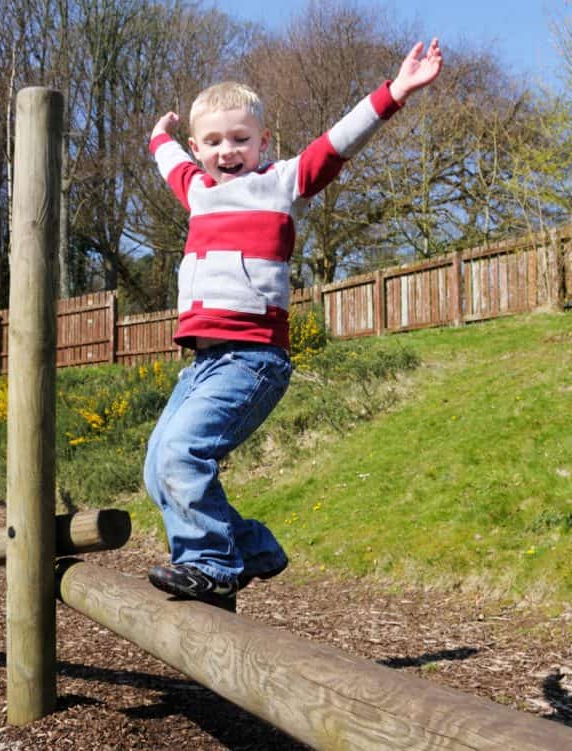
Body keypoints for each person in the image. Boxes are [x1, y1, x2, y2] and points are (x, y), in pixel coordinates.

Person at [144, 38, 444, 604]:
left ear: (264, 144)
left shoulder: (281, 184)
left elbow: (338, 141)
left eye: (240, 139)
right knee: (155, 468)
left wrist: (396, 91)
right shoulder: (198, 192)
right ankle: (252, 547)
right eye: (213, 142)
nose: (227, 151)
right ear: (198, 148)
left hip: (252, 358)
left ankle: (210, 563)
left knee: (184, 455)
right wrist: (160, 133)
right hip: (204, 363)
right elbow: (167, 159)